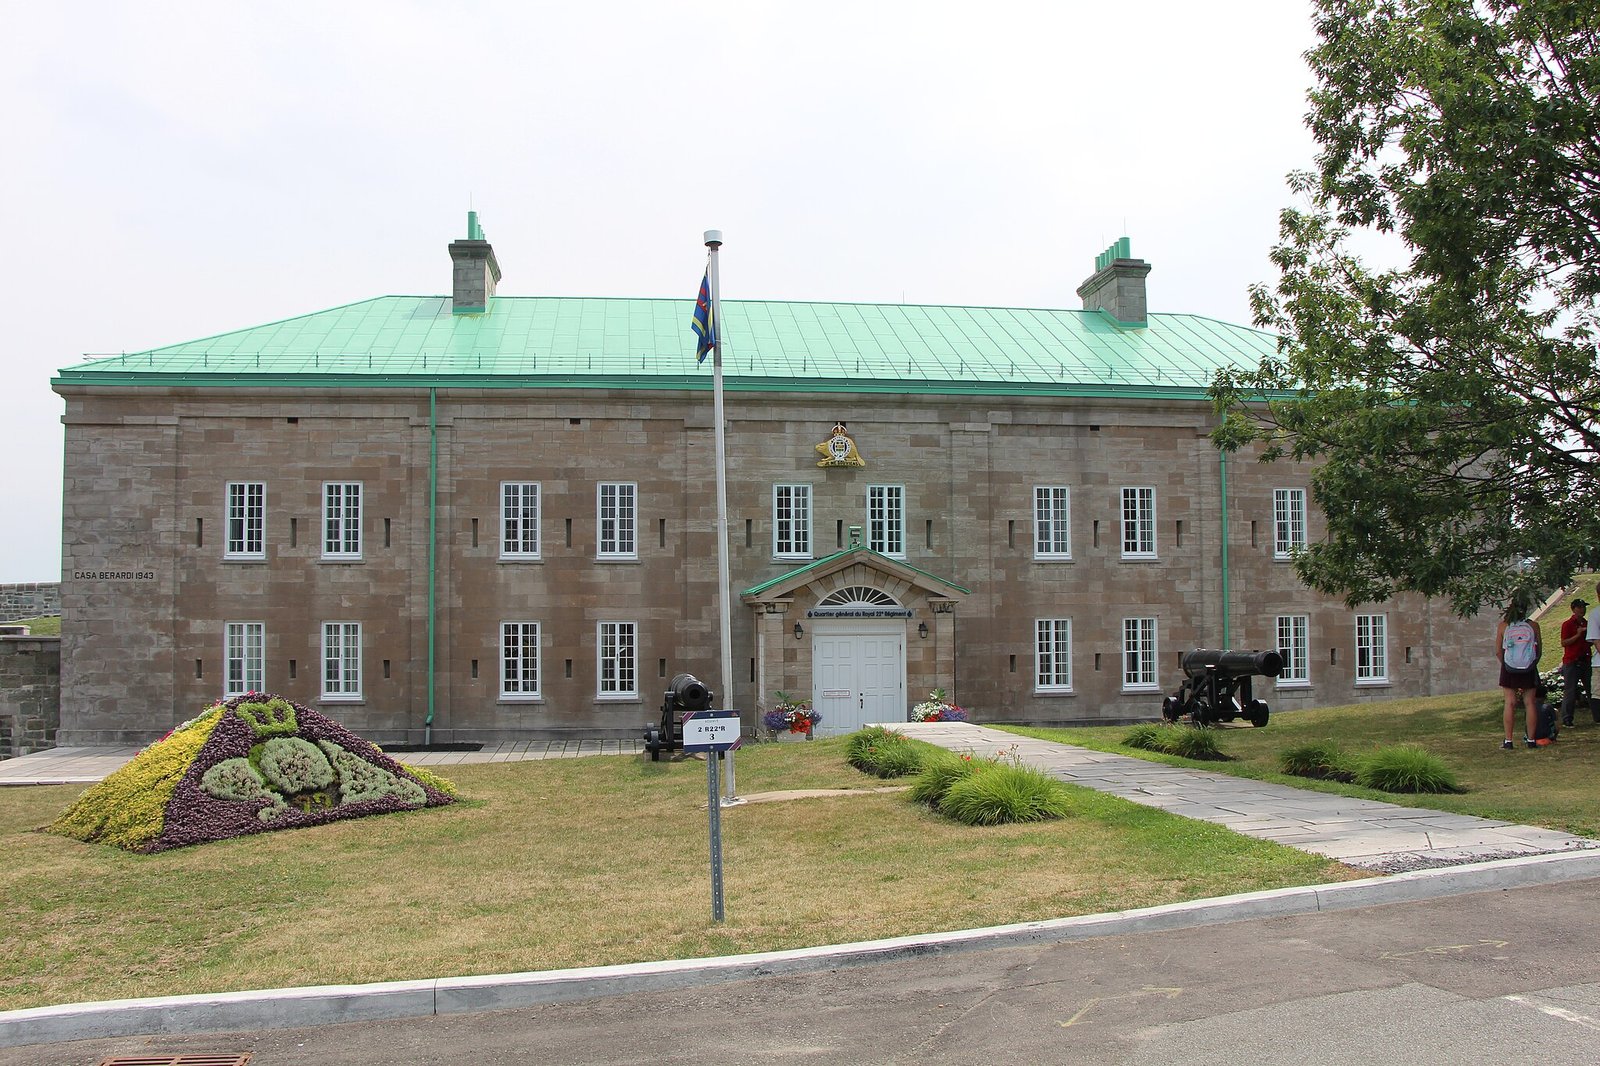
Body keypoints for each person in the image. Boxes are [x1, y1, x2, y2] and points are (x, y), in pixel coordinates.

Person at [1497, 594, 1541, 750]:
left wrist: (1508, 665)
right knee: (1530, 703)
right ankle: (1531, 740)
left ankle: (1508, 741)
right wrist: (1530, 663)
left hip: (1509, 667)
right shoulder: (1533, 626)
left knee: (1510, 703)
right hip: (1529, 667)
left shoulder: (1503, 626)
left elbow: (1498, 651)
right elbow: (1538, 651)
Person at [1559, 598, 1592, 726]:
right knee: (1570, 691)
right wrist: (1578, 635)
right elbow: (1564, 642)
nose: (1582, 609)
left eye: (1583, 607)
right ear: (1573, 609)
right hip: (1572, 661)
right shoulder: (1567, 624)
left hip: (1585, 660)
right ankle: (1567, 718)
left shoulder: (1586, 623)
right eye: (1579, 607)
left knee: (1591, 689)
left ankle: (1597, 715)